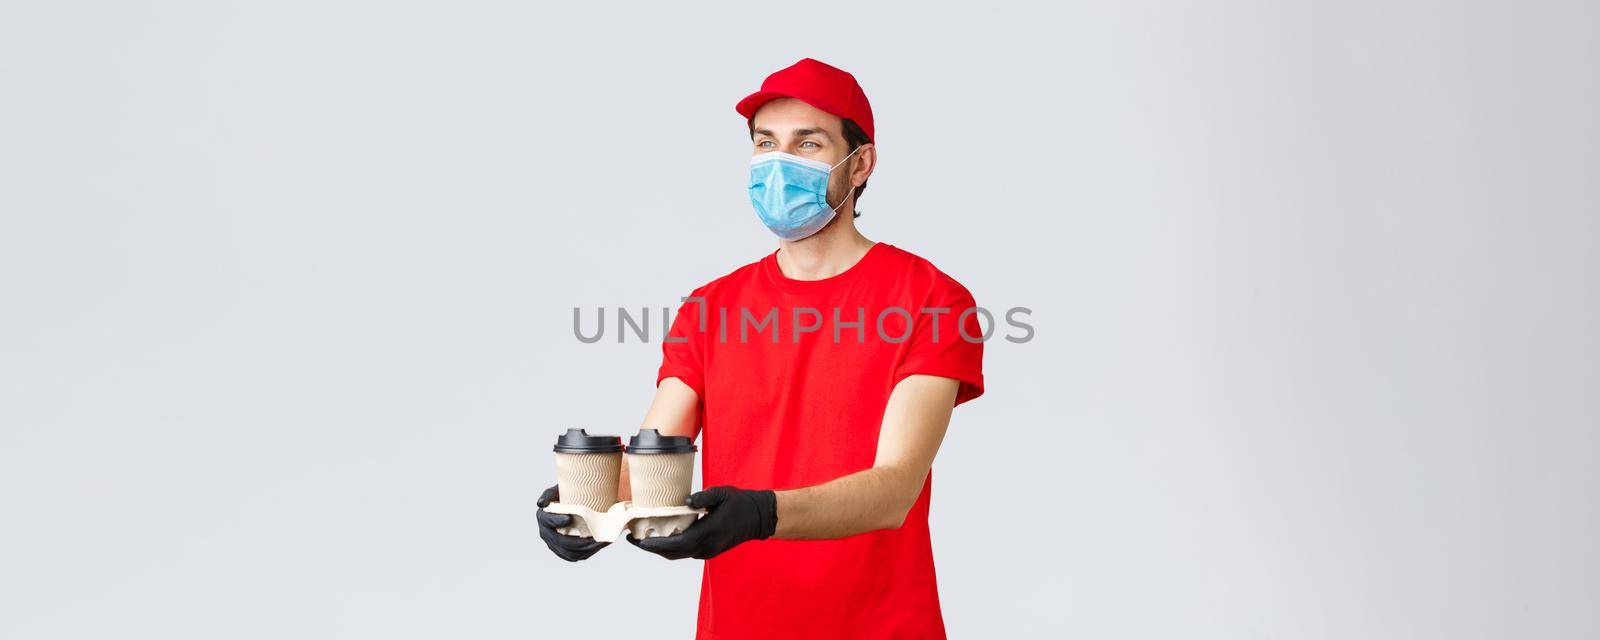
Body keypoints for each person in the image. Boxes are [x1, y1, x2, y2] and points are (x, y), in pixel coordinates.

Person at [538, 57, 985, 639]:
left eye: (808, 143)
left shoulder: (930, 299)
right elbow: (652, 466)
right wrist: (587, 506)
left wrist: (762, 515)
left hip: (881, 625)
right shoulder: (710, 308)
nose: (780, 164)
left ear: (861, 165)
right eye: (765, 143)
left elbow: (893, 490)